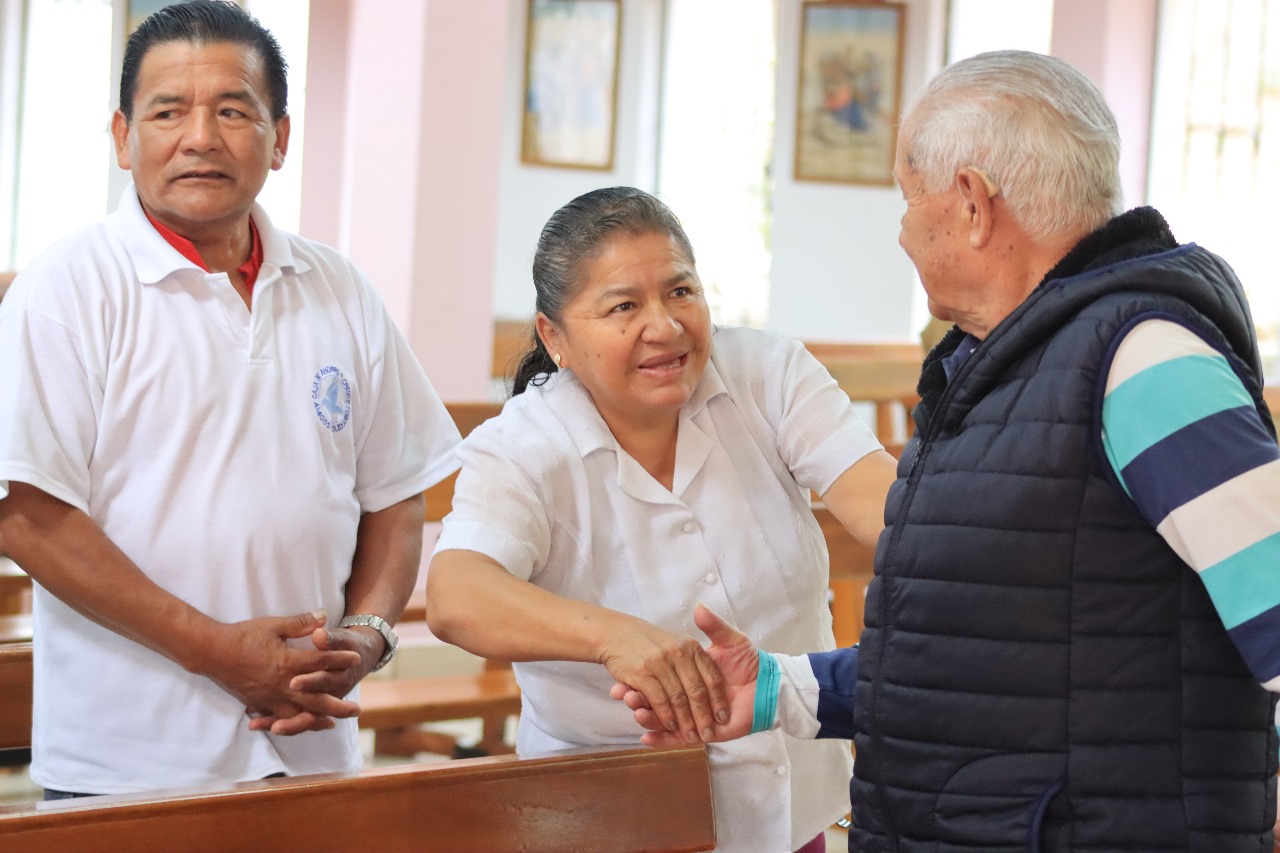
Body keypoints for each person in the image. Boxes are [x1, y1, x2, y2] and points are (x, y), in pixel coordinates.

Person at [618, 51, 1280, 852]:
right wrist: (778, 688)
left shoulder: (1146, 363)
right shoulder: (1000, 368)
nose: (901, 231)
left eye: (908, 199)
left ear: (970, 202)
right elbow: (978, 644)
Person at [0, 0, 460, 798]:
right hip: (130, 760)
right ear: (122, 137)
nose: (201, 137)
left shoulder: (338, 288)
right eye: (168, 111)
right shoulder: (65, 289)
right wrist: (220, 651)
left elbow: (395, 495)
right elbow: (27, 516)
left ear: (281, 139)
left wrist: (368, 633)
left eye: (234, 110)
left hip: (312, 748)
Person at [425, 186, 898, 853]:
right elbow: (456, 594)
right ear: (553, 335)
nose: (667, 326)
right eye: (624, 305)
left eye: (681, 291)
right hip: (612, 814)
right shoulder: (525, 444)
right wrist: (614, 637)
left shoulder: (767, 372)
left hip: (793, 800)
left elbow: (887, 508)